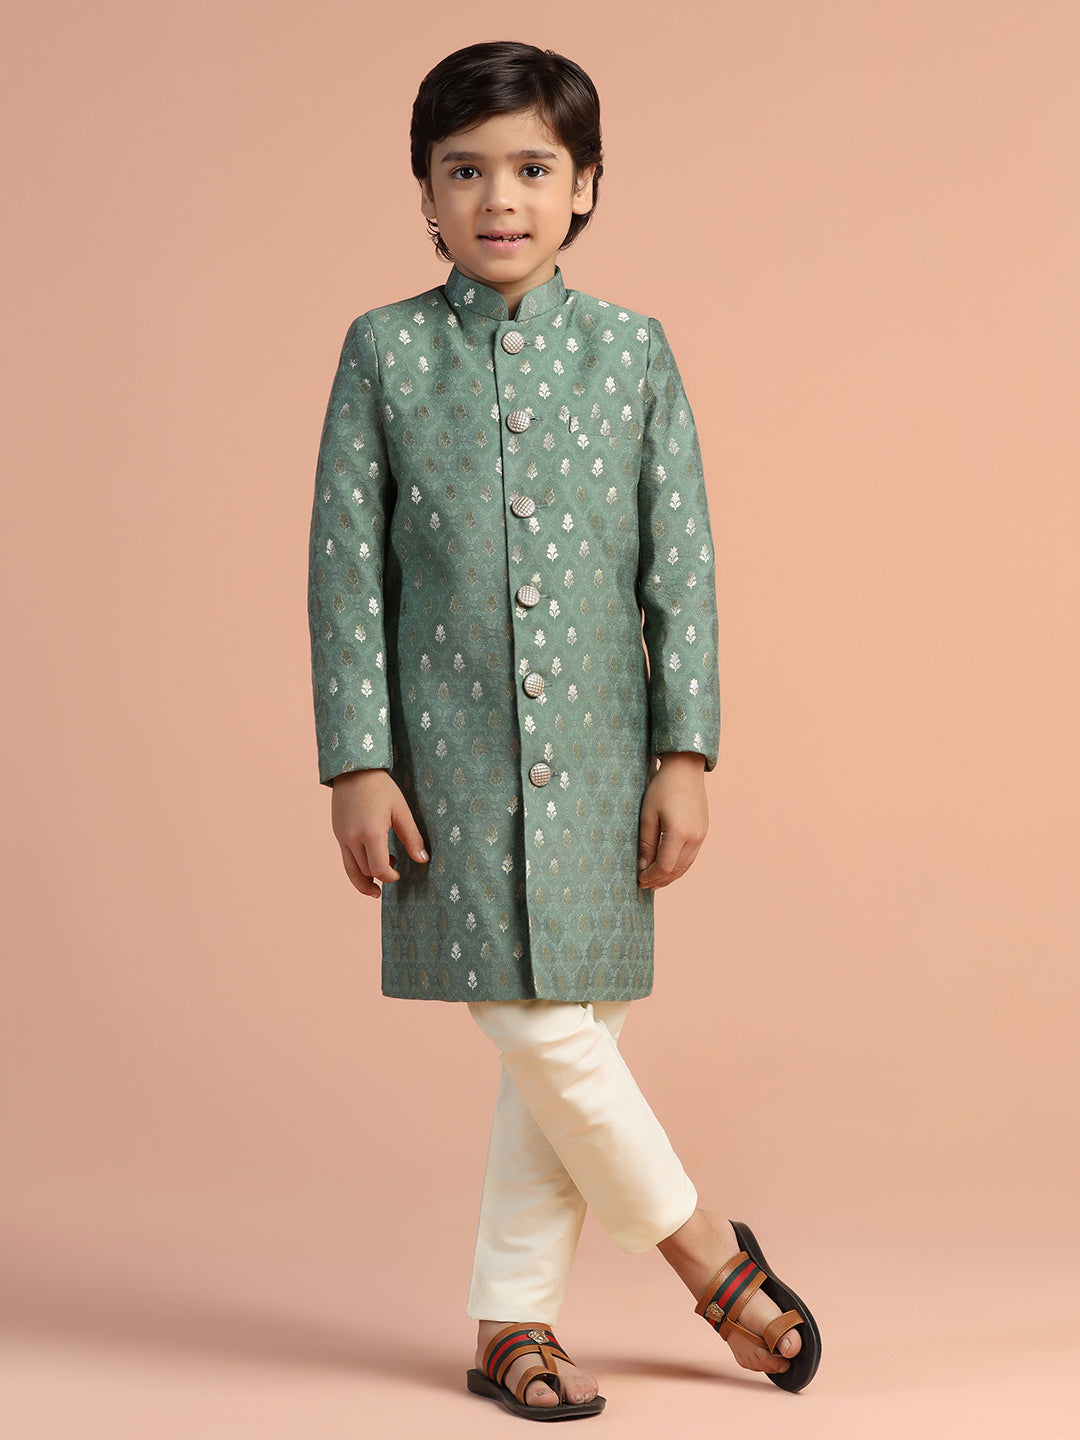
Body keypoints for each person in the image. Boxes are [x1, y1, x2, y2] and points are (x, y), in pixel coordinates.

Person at [306, 39, 820, 1421]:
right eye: (465, 171)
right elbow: (347, 573)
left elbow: (681, 570)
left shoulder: (633, 351)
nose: (501, 199)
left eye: (533, 168)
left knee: (563, 1041)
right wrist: (359, 759)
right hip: (448, 762)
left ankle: (511, 1326)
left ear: (585, 184)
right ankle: (711, 1262)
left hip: (602, 760)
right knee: (538, 1027)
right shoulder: (385, 351)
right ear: (425, 192)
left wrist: (683, 756)